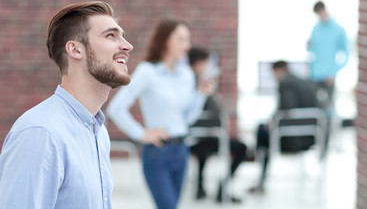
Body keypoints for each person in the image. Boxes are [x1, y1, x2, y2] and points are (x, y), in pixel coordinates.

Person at [0, 1, 133, 208]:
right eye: (111, 35)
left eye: (122, 36)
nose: (127, 46)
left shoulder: (97, 131)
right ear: (75, 50)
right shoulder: (41, 134)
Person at [107, 20, 215, 209]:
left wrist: (200, 95)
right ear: (165, 41)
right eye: (181, 39)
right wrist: (141, 134)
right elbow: (116, 108)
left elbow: (187, 118)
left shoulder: (186, 74)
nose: (187, 46)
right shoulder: (147, 72)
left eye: (187, 40)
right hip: (158, 152)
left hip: (181, 151)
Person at [188, 47, 248, 203]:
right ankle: (222, 189)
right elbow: (216, 114)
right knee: (241, 148)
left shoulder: (187, 81)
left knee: (206, 143)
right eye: (208, 63)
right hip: (199, 136)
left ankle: (200, 187)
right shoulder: (200, 84)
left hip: (193, 137)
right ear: (200, 63)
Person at [248, 60, 318, 193]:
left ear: (277, 70)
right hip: (311, 136)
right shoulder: (304, 82)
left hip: (293, 137)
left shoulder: (285, 83)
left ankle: (260, 175)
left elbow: (287, 108)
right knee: (265, 130)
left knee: (262, 131)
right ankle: (256, 160)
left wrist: (273, 122)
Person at [307, 1, 349, 110]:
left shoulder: (339, 30)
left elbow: (346, 54)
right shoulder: (316, 28)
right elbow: (311, 49)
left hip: (328, 76)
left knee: (328, 108)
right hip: (314, 75)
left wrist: (333, 71)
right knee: (314, 107)